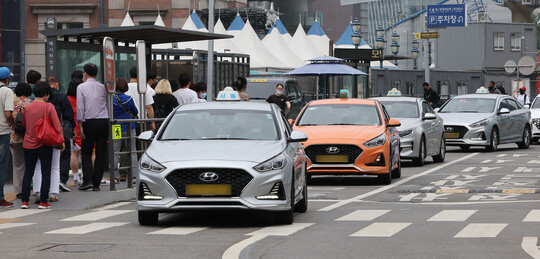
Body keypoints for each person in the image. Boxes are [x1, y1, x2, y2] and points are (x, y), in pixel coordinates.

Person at [20, 81, 64, 209]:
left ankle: (24, 201)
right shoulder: (49, 107)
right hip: (44, 143)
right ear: (46, 94)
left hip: (28, 143)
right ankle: (44, 201)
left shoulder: (27, 107)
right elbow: (57, 126)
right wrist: (61, 141)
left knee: (28, 172)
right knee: (46, 172)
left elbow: (24, 124)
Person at [32, 76, 76, 202]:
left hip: (38, 137)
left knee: (38, 166)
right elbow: (62, 122)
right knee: (54, 166)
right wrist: (65, 135)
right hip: (53, 137)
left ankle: (38, 191)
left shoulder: (31, 106)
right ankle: (53, 193)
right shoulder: (59, 100)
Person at [76, 63, 109, 191]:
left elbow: (80, 107)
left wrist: (80, 124)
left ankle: (87, 180)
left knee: (86, 152)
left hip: (89, 122)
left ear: (85, 74)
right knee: (100, 153)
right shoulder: (103, 87)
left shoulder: (81, 87)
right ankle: (96, 183)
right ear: (96, 74)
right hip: (103, 121)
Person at [112, 78, 139, 183]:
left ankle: (115, 177)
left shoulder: (112, 98)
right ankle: (133, 177)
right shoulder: (129, 98)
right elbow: (135, 111)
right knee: (132, 151)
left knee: (115, 152)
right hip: (129, 127)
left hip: (116, 127)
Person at [10, 83, 33, 200]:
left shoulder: (12, 103)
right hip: (29, 137)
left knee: (18, 164)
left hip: (15, 137)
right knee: (30, 163)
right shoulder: (31, 103)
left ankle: (18, 190)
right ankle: (28, 187)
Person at [0, 67, 15, 208]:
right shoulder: (7, 91)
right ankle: (0, 198)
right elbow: (9, 114)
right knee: (2, 165)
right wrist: (13, 125)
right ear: (7, 79)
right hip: (2, 131)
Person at [125, 67, 156, 132]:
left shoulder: (125, 87)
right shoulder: (145, 87)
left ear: (129, 75)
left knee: (130, 141)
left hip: (128, 121)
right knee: (142, 140)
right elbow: (149, 107)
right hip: (142, 120)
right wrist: (152, 122)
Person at [66, 78, 84, 185]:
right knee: (86, 153)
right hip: (82, 126)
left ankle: (76, 176)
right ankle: (86, 175)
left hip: (71, 128)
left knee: (73, 153)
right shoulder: (82, 99)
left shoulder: (66, 99)